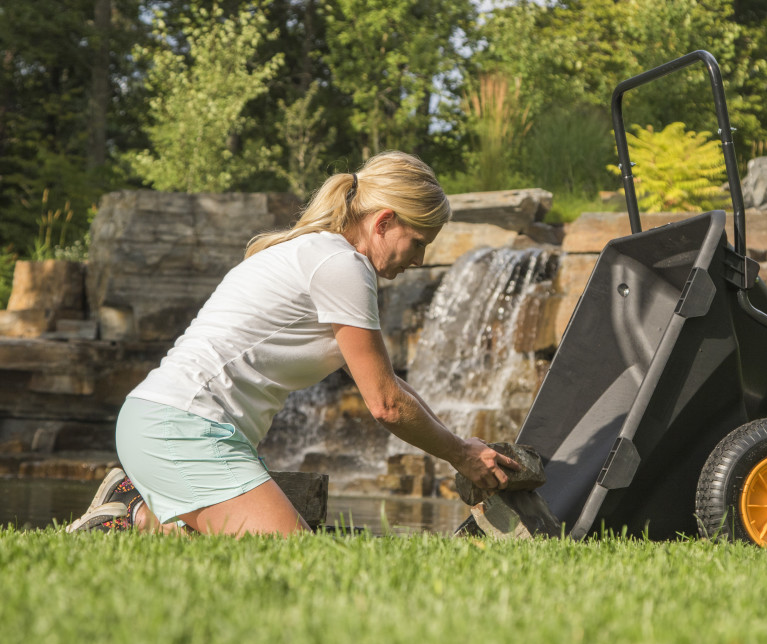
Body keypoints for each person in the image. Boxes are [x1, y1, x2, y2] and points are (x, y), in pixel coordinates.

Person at [67, 150, 519, 536]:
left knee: (239, 552)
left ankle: (129, 513)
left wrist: (459, 441)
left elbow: (388, 385)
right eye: (417, 243)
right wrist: (460, 454)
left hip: (168, 421)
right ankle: (131, 510)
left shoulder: (315, 252)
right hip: (182, 426)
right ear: (383, 222)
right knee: (293, 558)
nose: (419, 260)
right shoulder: (343, 266)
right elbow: (385, 404)